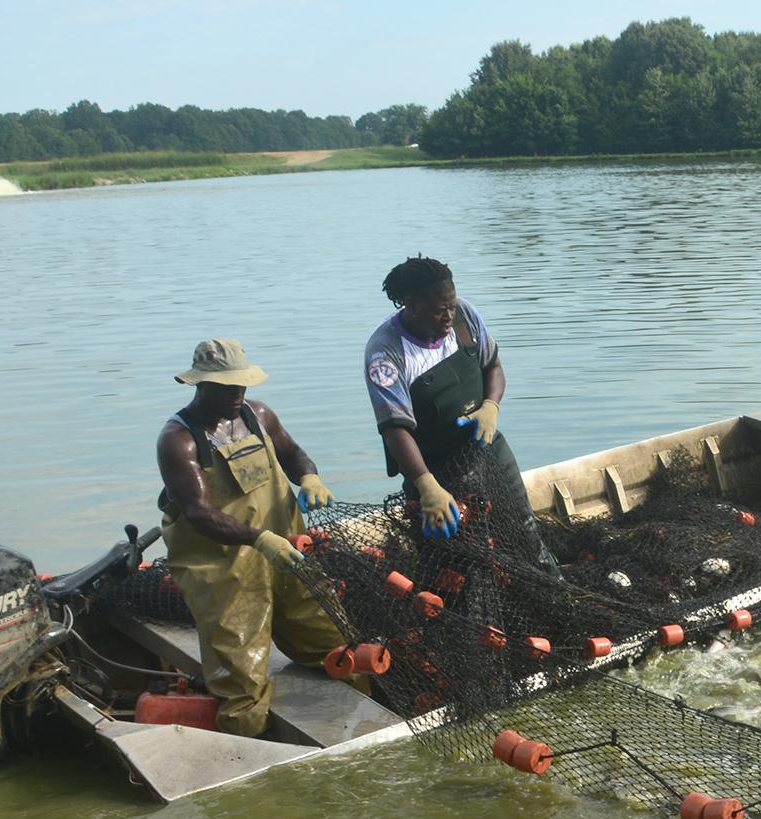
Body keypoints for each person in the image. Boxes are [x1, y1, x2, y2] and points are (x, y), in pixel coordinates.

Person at [156, 338, 348, 737]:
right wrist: (260, 539)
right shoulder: (180, 440)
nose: (237, 393)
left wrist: (309, 477)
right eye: (227, 386)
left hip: (288, 555)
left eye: (242, 385)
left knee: (338, 645)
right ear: (201, 385)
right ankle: (247, 751)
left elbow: (295, 454)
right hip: (225, 572)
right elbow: (199, 514)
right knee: (242, 688)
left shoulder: (258, 416)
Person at [362, 255, 560, 576]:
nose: (449, 315)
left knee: (526, 536)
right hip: (433, 471)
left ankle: (554, 593)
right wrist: (427, 485)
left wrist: (491, 406)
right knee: (451, 568)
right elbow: (394, 429)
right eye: (441, 310)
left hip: (486, 452)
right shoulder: (386, 352)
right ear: (411, 305)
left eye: (452, 305)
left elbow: (493, 366)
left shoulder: (464, 317)